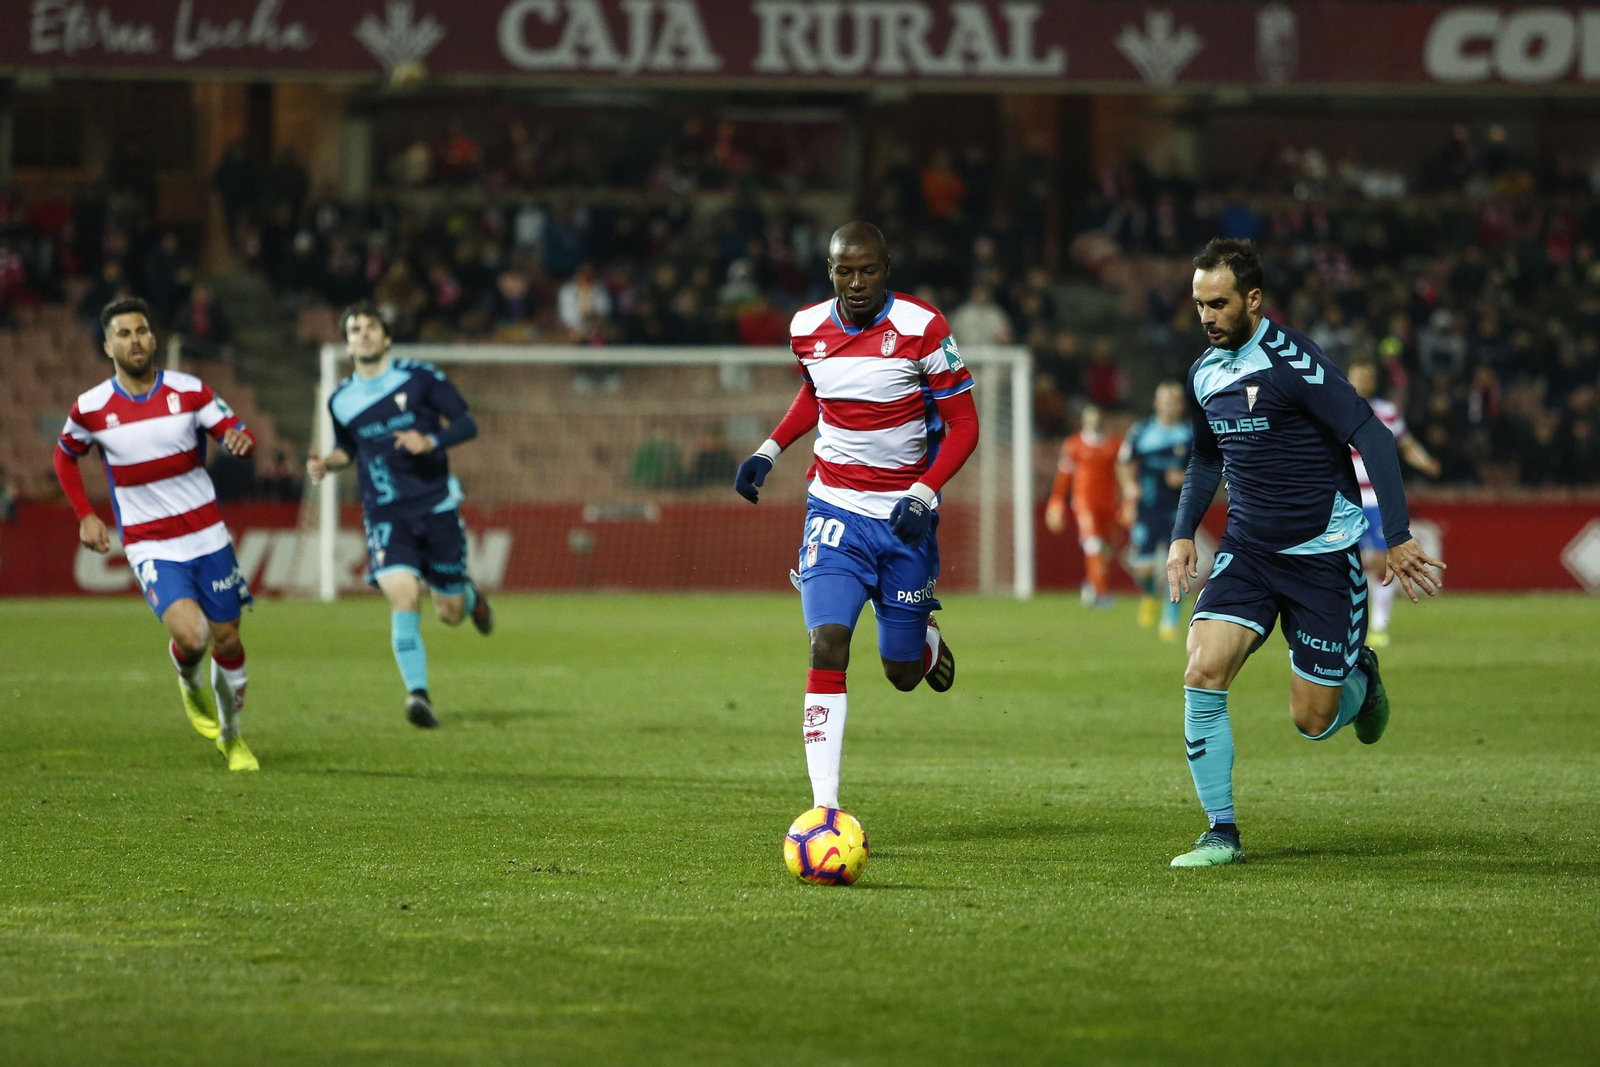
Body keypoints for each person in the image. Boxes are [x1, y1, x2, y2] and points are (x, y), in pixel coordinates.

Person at [1165, 239, 1445, 867]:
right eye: (1199, 304)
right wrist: (1183, 532)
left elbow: (1372, 435)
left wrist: (1397, 535)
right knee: (1201, 670)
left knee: (1313, 720)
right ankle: (1221, 833)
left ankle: (1361, 675)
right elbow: (1206, 458)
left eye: (1218, 303)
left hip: (1323, 554)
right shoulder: (1203, 373)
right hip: (1249, 551)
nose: (1206, 317)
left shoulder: (1294, 361)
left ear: (1253, 300)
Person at [733, 221, 977, 814]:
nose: (857, 282)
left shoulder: (923, 326)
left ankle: (923, 641)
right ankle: (824, 810)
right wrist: (769, 450)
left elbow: (965, 425)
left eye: (869, 270)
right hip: (834, 510)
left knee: (901, 673)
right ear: (830, 271)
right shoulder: (806, 328)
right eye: (846, 271)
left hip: (903, 517)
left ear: (886, 269)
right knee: (827, 644)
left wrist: (924, 493)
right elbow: (816, 392)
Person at [53, 298, 261, 771]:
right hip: (151, 543)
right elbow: (64, 457)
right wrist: (85, 514)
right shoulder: (90, 408)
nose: (136, 340)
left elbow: (238, 433)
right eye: (124, 334)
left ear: (153, 337)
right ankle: (189, 681)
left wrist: (242, 444)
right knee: (194, 636)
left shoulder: (190, 391)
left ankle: (231, 736)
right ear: (108, 347)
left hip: (208, 536)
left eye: (142, 331)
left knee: (228, 640)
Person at [306, 302, 493, 728]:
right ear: (347, 343)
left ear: (387, 337)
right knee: (404, 596)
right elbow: (347, 449)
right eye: (355, 329)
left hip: (437, 506)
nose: (364, 334)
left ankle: (470, 598)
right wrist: (327, 465)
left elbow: (467, 424)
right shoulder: (341, 400)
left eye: (371, 327)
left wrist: (431, 442)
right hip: (386, 515)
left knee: (449, 612)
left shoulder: (420, 378)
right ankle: (418, 696)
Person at [1347, 362, 1440, 647]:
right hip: (1346, 498)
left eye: (1367, 377)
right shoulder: (1337, 407)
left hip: (1377, 499)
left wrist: (1426, 462)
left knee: (1379, 561)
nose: (1363, 381)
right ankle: (1347, 624)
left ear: (1374, 381)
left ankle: (1378, 625)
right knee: (1346, 564)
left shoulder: (1386, 412)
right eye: (1357, 376)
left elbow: (1406, 444)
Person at [1117, 381, 1193, 639]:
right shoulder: (1141, 431)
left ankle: (1170, 621)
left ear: (1181, 405)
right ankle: (1149, 594)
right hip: (1147, 508)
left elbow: (1206, 469)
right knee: (1143, 569)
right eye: (1165, 400)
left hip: (1179, 510)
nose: (1169, 405)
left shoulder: (1189, 435)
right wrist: (1129, 486)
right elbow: (1123, 462)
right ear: (1156, 403)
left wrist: (1185, 477)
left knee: (1177, 565)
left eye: (1174, 400)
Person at [1045, 405, 1121, 608]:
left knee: (1105, 550)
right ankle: (1103, 594)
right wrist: (1056, 502)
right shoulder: (1074, 445)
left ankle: (1091, 585)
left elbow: (1123, 474)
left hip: (1109, 503)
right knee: (1092, 544)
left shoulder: (1115, 444)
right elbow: (1063, 476)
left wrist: (1127, 501)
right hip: (1084, 502)